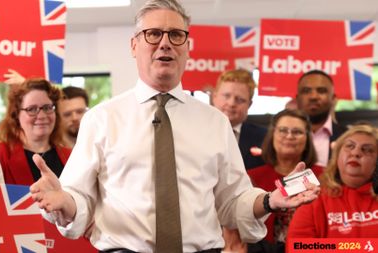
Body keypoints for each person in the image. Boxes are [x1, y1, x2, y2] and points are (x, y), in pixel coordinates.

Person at [29, 1, 319, 252]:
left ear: (188, 48)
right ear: (134, 45)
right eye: (153, 33)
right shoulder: (102, 118)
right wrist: (64, 200)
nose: (165, 42)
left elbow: (234, 202)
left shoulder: (214, 122)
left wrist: (270, 200)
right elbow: (80, 199)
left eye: (176, 35)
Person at [247, 109, 324, 253]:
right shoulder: (252, 177)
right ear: (272, 135)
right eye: (283, 130)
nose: (289, 136)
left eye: (297, 132)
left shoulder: (325, 176)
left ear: (307, 139)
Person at [288, 124, 378, 238]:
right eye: (350, 146)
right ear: (337, 156)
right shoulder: (313, 198)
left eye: (367, 150)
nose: (355, 153)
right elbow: (297, 246)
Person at [0, 78, 71, 185]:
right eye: (31, 109)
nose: (41, 116)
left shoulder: (71, 156)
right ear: (16, 115)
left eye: (47, 107)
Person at [212, 69, 267, 170]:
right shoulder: (195, 131)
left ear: (249, 105)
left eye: (240, 99)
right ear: (214, 97)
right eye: (226, 96)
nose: (231, 103)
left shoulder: (265, 137)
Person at [296, 70, 347, 167]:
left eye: (321, 91)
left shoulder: (347, 137)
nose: (313, 96)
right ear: (297, 98)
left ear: (333, 98)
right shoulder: (278, 138)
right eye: (306, 91)